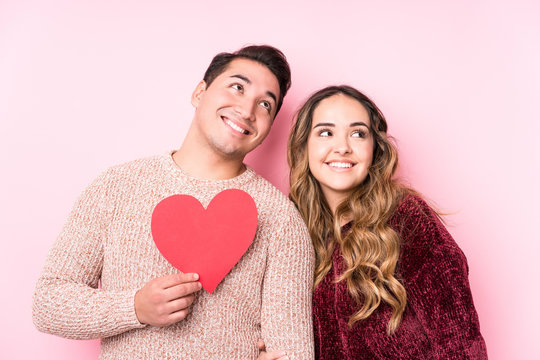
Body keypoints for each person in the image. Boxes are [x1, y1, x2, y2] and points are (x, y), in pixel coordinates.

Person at [32, 45, 315, 360]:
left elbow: (292, 350)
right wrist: (135, 307)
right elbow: (48, 303)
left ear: (268, 128)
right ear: (199, 93)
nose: (247, 110)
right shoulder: (116, 187)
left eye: (264, 104)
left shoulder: (281, 220)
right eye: (237, 87)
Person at [258, 85, 487, 359]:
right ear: (304, 146)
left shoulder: (407, 219)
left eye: (357, 133)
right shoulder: (293, 230)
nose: (342, 147)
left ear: (374, 149)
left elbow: (460, 342)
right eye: (325, 132)